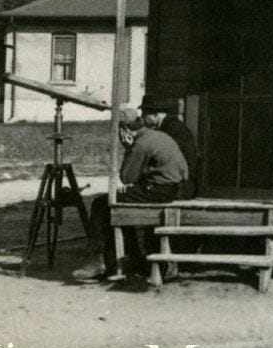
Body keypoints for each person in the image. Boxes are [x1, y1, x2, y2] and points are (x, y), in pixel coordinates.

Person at [72, 107, 189, 281]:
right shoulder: (158, 135)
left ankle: (99, 261)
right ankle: (131, 258)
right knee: (119, 201)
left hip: (158, 191)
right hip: (172, 188)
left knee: (101, 204)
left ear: (124, 130)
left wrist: (128, 148)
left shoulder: (140, 144)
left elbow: (127, 178)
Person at [139, 95, 198, 199]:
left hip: (179, 186)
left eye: (144, 113)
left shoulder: (172, 129)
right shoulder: (167, 126)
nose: (142, 117)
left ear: (155, 114)